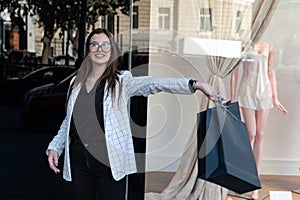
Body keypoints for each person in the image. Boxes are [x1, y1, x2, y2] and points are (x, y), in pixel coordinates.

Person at [46, 28, 219, 200]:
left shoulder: (121, 82)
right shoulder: (75, 84)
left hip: (109, 162)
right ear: (88, 51)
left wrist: (195, 84)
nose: (100, 49)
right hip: (79, 161)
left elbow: (155, 83)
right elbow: (69, 121)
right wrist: (55, 146)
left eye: (105, 45)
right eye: (95, 45)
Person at [230, 40, 288, 200]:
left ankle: (254, 183)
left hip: (265, 92)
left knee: (260, 134)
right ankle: (242, 175)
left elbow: (271, 72)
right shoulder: (243, 45)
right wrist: (233, 99)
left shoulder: (270, 46)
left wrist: (276, 98)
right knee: (251, 133)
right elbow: (234, 72)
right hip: (247, 90)